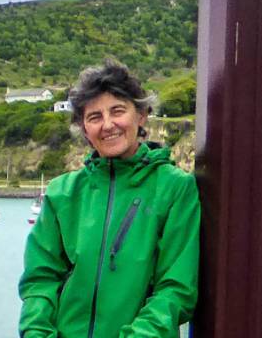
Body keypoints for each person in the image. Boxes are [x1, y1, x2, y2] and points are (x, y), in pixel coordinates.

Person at [18, 60, 200, 338]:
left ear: (141, 115)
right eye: (94, 117)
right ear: (84, 128)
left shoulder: (175, 188)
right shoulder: (61, 192)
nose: (108, 125)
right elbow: (40, 281)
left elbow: (175, 289)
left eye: (118, 111)